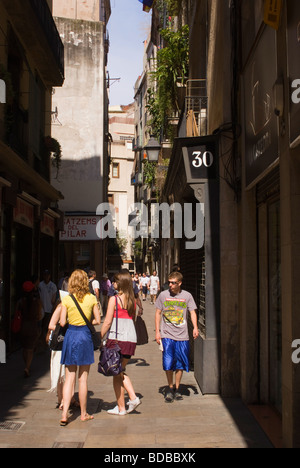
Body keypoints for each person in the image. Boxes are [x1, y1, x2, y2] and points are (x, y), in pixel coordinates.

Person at [59, 269, 101, 426]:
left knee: (69, 377)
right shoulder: (91, 298)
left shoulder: (67, 300)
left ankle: (64, 414)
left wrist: (72, 321)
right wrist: (87, 322)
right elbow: (97, 320)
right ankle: (83, 413)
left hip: (71, 335)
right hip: (85, 335)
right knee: (83, 378)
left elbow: (62, 322)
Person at [100, 271, 141, 416]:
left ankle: (132, 397)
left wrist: (99, 336)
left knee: (117, 372)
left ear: (121, 283)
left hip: (117, 338)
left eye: (115, 281)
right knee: (119, 372)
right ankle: (121, 408)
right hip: (130, 338)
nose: (113, 284)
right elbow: (133, 319)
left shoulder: (114, 299)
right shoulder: (132, 301)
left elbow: (108, 321)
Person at [155, 271, 199, 403]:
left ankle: (178, 388)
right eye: (169, 282)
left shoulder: (187, 296)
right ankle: (169, 388)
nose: (170, 285)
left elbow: (192, 312)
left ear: (179, 283)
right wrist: (157, 331)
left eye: (173, 283)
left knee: (180, 363)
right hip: (167, 334)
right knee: (168, 362)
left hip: (182, 335)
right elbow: (158, 313)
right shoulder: (163, 295)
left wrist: (195, 327)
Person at [17, 281, 43, 377]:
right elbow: (40, 315)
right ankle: (27, 367)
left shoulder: (20, 301)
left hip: (23, 326)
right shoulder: (37, 301)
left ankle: (26, 365)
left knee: (24, 348)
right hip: (33, 326)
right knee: (30, 349)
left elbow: (17, 314)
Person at [39, 270, 57, 343]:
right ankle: (41, 340)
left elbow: (54, 297)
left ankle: (47, 340)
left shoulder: (53, 286)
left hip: (49, 309)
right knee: (41, 327)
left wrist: (53, 307)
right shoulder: (40, 285)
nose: (46, 277)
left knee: (47, 326)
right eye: (45, 275)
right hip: (41, 309)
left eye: (48, 275)